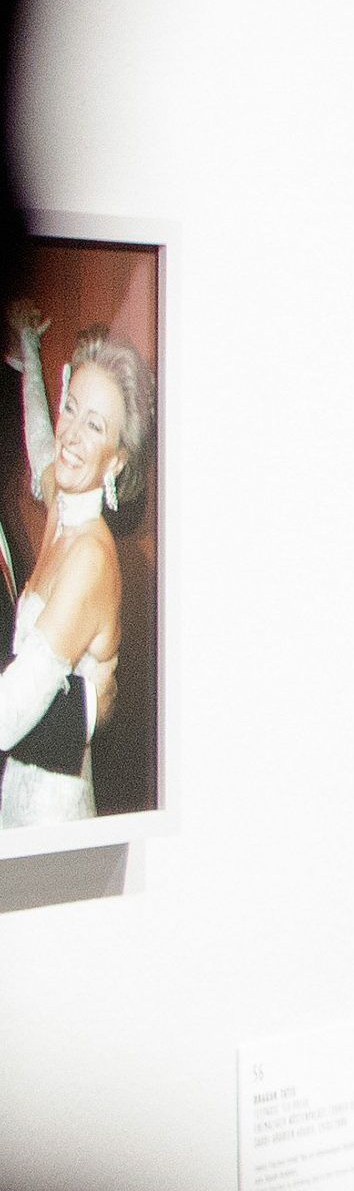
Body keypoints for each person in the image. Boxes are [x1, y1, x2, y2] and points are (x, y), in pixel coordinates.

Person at [0, 302, 146, 827]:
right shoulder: (61, 503)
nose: (72, 435)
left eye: (95, 425)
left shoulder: (90, 557)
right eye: (71, 408)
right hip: (14, 787)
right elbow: (42, 440)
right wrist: (31, 349)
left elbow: (9, 713)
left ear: (117, 459)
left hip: (49, 815)